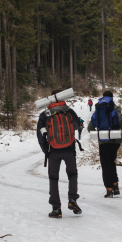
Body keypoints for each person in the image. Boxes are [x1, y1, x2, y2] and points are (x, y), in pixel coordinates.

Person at [36, 89, 83, 218]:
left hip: (54, 151)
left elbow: (40, 135)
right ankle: (72, 200)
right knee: (72, 175)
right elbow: (78, 127)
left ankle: (56, 209)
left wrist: (47, 150)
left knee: (53, 178)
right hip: (69, 149)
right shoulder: (68, 111)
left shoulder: (44, 114)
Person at [88, 91, 122, 198]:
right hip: (115, 140)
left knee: (106, 164)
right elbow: (120, 121)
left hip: (103, 141)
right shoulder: (115, 107)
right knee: (111, 161)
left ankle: (109, 189)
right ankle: (115, 185)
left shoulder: (99, 108)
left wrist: (97, 133)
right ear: (112, 97)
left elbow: (90, 127)